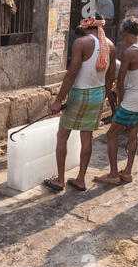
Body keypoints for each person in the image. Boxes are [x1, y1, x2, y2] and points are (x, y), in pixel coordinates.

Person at [44, 14, 116, 192]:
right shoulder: (110, 45)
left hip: (79, 93)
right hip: (98, 93)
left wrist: (58, 100)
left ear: (87, 25)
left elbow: (71, 73)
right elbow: (110, 76)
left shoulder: (81, 43)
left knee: (62, 135)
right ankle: (80, 180)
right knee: (86, 137)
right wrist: (103, 97)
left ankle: (60, 180)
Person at [94, 17, 138, 185]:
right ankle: (127, 171)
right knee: (133, 134)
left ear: (125, 33)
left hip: (132, 101)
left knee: (111, 134)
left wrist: (119, 103)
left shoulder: (130, 52)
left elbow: (120, 82)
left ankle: (113, 174)